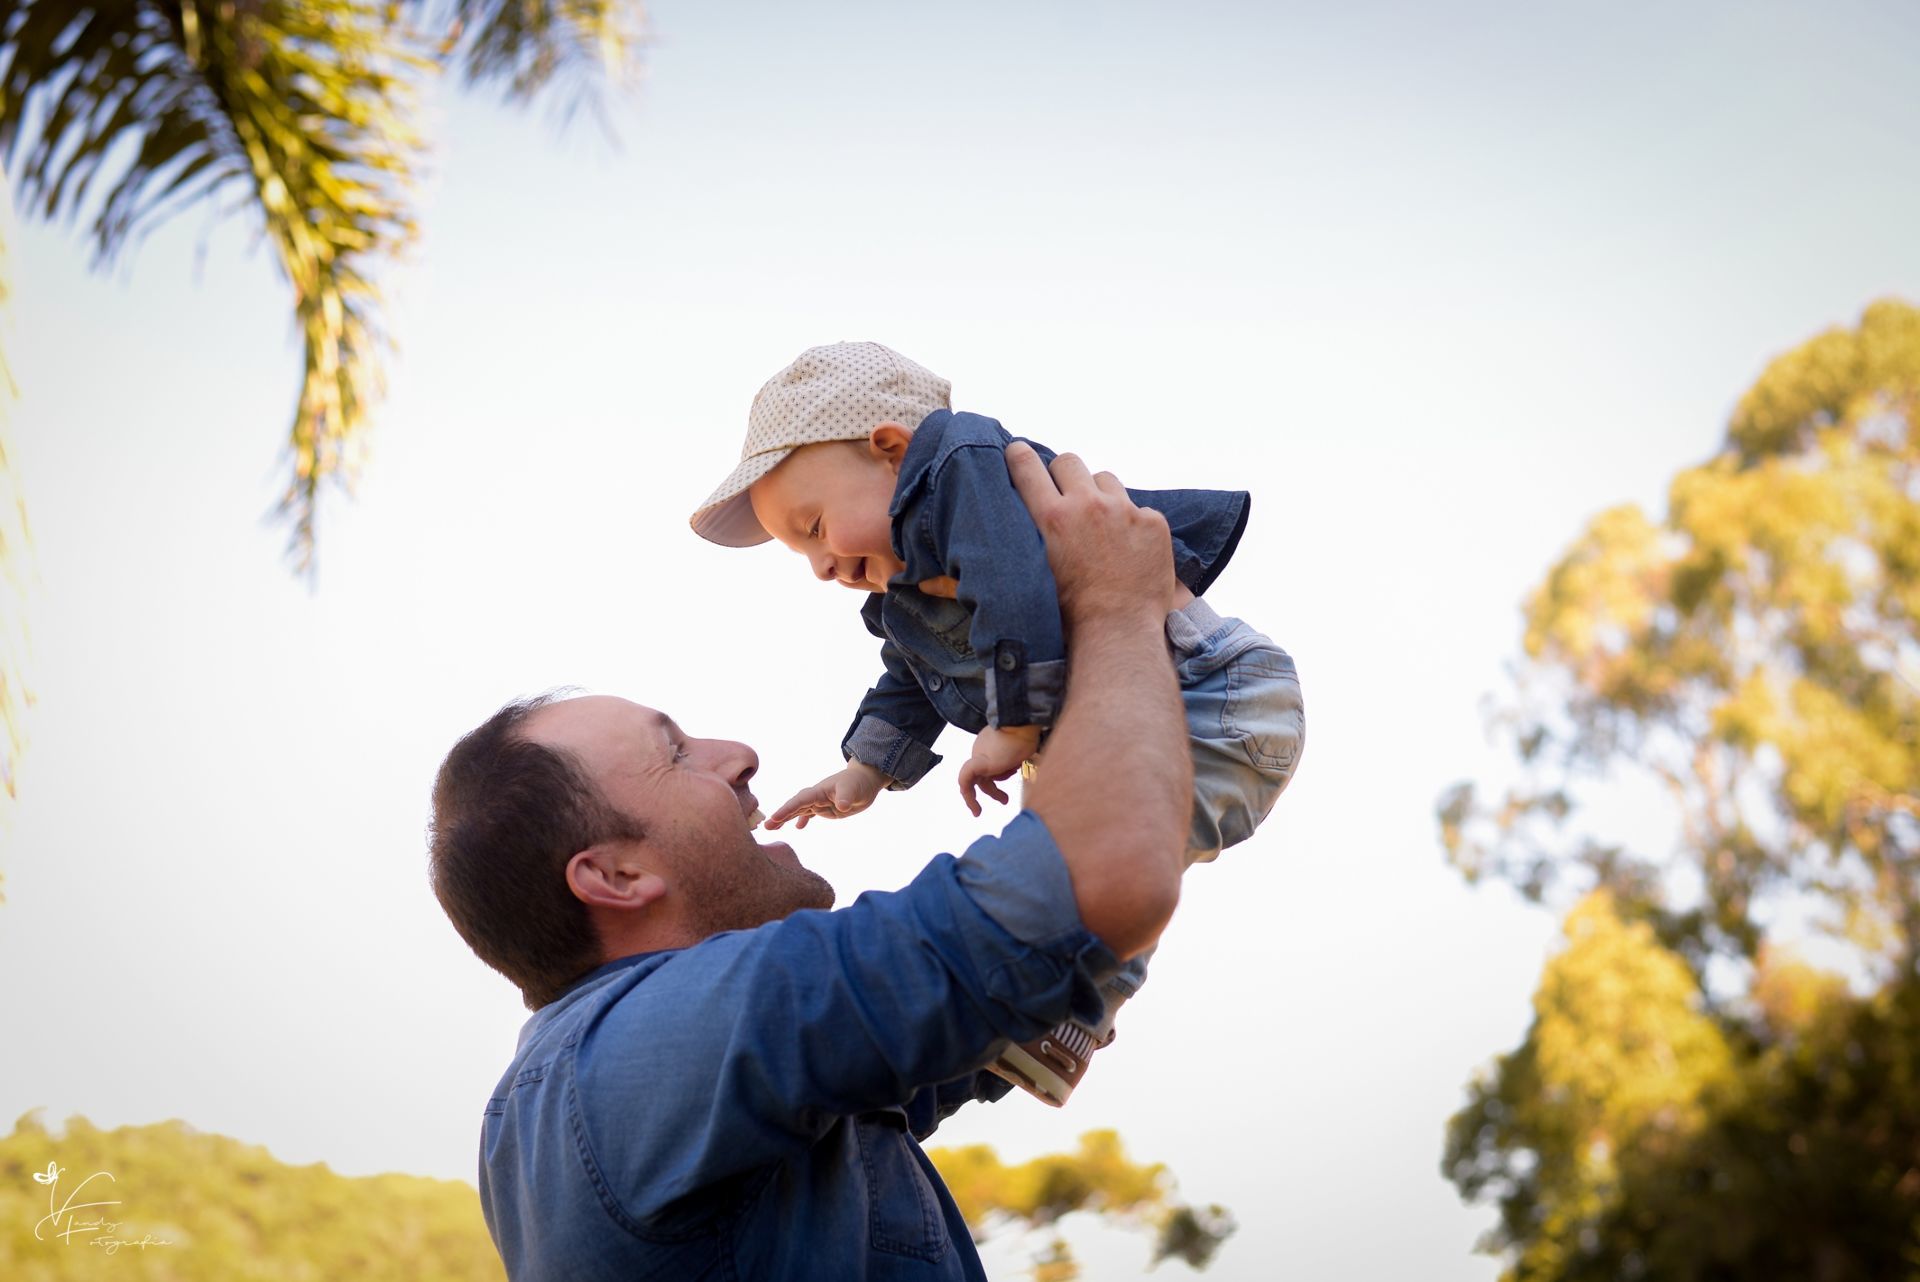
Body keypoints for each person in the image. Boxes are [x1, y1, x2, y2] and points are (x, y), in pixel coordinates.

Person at [429, 445, 1195, 1282]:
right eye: (677, 753)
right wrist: (1116, 603)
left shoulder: (641, 1084)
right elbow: (1094, 885)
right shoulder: (657, 1042)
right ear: (612, 878)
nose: (740, 754)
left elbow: (1015, 986)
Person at [688, 341, 1305, 1105]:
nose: (817, 565)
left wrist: (1012, 726)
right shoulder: (906, 589)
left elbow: (1012, 584)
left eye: (813, 526)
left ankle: (1067, 1012)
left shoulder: (963, 469)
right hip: (1156, 708)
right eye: (799, 554)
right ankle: (1059, 1017)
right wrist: (865, 770)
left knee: (1107, 860)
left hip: (1212, 694)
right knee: (1091, 866)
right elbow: (908, 677)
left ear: (890, 451)